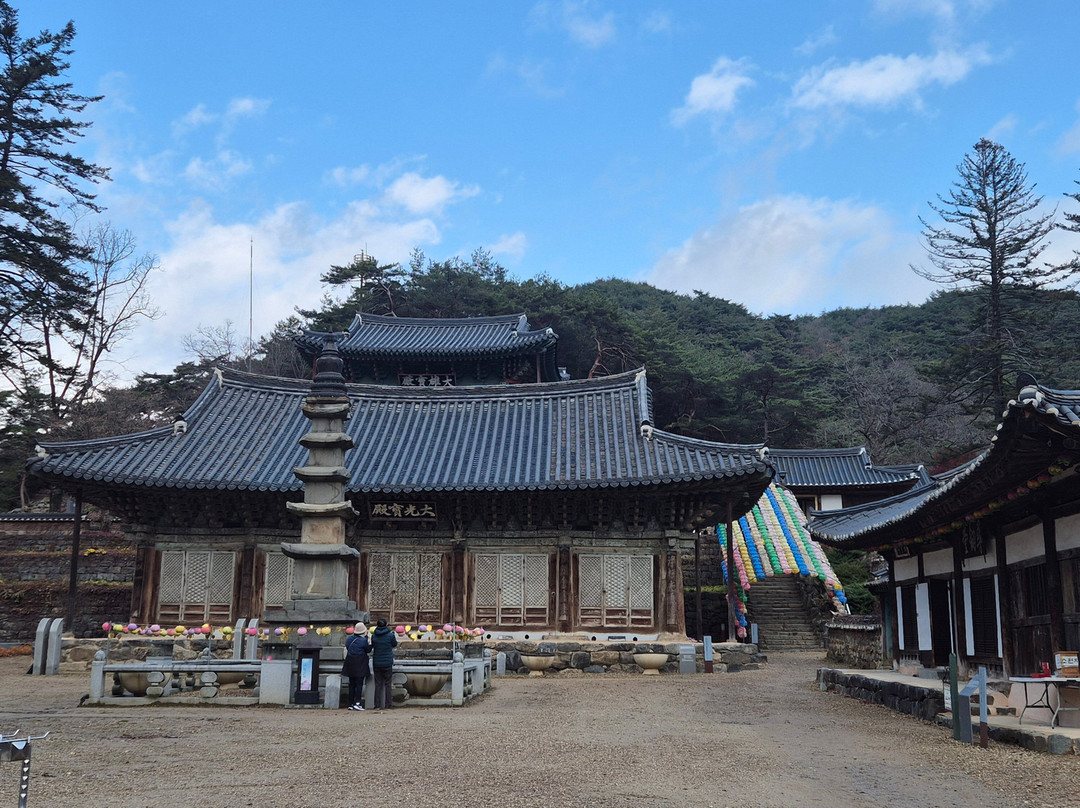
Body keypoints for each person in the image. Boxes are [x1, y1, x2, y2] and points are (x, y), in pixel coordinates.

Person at [370, 617, 398, 711]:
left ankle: (377, 705)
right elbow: (394, 644)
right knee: (388, 684)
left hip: (377, 661)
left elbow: (372, 645)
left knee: (378, 684)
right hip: (387, 662)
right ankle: (388, 704)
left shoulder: (374, 636)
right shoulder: (390, 635)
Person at [342, 622, 370, 711]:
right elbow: (368, 650)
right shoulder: (363, 641)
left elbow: (347, 646)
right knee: (359, 684)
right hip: (360, 663)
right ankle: (357, 702)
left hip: (350, 662)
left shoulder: (349, 639)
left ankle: (350, 703)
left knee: (352, 684)